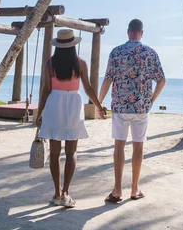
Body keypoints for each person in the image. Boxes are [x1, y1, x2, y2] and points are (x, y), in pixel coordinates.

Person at [98, 19, 166, 203]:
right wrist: (151, 100)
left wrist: (98, 102)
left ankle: (117, 189)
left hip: (120, 107)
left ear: (128, 32)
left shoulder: (116, 52)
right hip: (141, 108)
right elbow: (161, 80)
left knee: (119, 146)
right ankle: (135, 189)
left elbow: (107, 79)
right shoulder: (150, 53)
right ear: (141, 33)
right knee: (138, 146)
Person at [37, 28, 106, 208]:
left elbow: (46, 89)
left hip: (54, 104)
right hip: (73, 104)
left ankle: (57, 193)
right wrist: (98, 106)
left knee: (54, 152)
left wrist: (40, 112)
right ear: (73, 44)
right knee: (71, 152)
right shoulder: (80, 63)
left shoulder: (49, 64)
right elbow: (88, 88)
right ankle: (66, 193)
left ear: (58, 46)